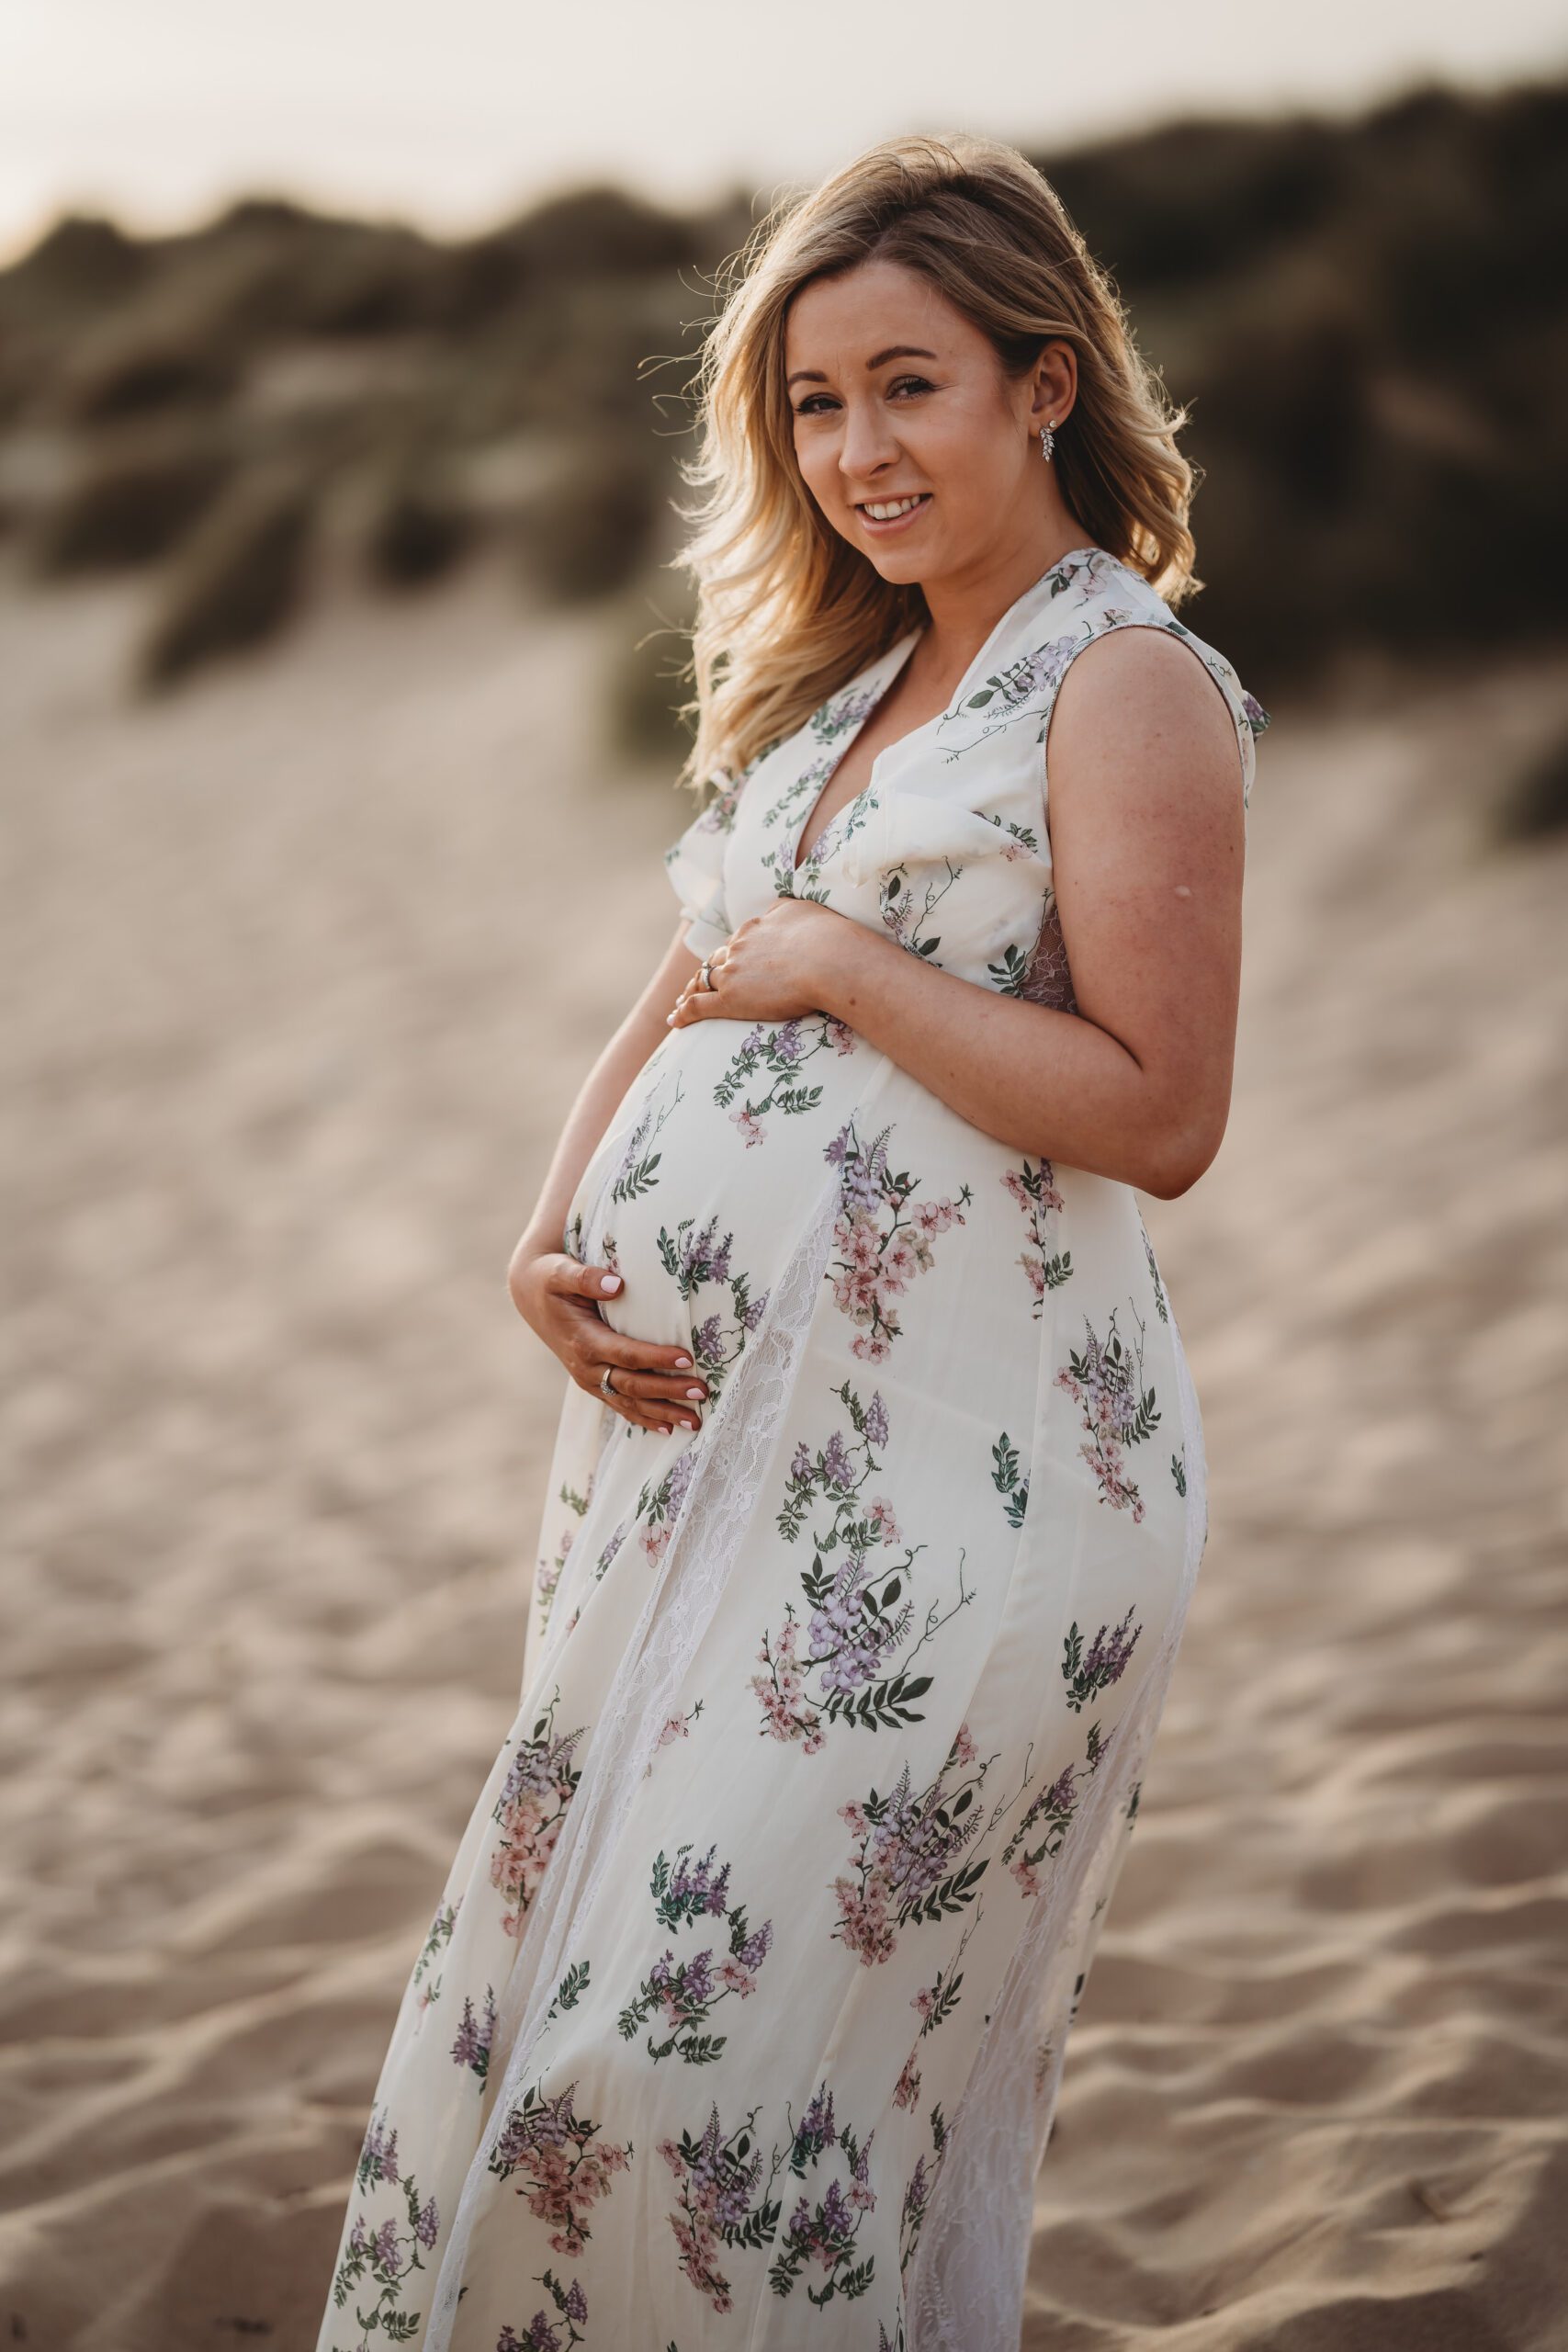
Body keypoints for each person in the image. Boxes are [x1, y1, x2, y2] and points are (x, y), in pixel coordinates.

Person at [315, 129, 1269, 2352]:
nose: (854, 450)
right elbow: (685, 982)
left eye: (906, 385)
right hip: (707, 1480)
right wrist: (545, 1229)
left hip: (975, 1495)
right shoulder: (837, 699)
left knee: (695, 2073)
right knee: (577, 2045)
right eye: (812, 404)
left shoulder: (1118, 686)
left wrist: (855, 970)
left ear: (1046, 384)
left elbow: (1164, 1109)